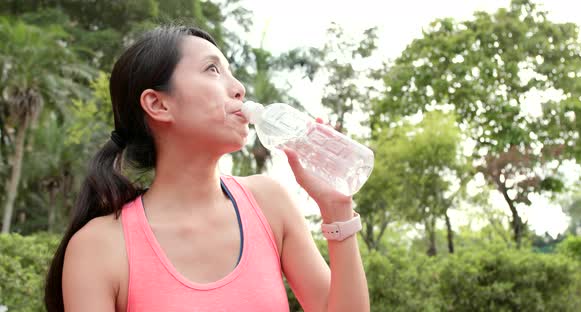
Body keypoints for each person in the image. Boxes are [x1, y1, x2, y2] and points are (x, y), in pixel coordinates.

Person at [44, 25, 369, 312]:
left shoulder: (269, 203)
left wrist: (337, 208)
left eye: (229, 70)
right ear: (158, 104)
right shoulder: (97, 249)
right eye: (212, 69)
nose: (238, 87)